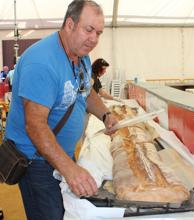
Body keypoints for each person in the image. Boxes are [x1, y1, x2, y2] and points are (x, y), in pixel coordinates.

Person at [5, 1, 118, 220]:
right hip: (37, 162)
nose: (94, 39)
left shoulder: (81, 55)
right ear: (69, 24)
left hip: (59, 154)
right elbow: (35, 125)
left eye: (99, 33)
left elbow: (87, 90)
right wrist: (69, 169)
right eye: (89, 30)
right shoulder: (42, 62)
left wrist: (106, 114)